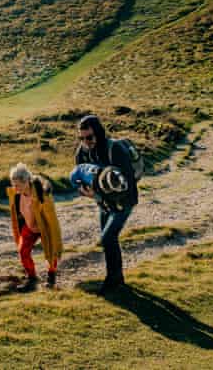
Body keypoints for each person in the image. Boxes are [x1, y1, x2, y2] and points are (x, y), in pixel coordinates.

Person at [74, 115, 138, 294]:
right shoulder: (82, 152)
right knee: (108, 239)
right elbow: (80, 176)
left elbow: (128, 184)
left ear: (99, 134)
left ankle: (112, 281)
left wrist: (99, 194)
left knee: (107, 238)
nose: (85, 142)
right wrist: (86, 192)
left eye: (89, 137)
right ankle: (117, 278)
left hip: (123, 201)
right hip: (103, 202)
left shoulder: (115, 149)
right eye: (82, 138)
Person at [6, 162, 64, 290]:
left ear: (26, 181)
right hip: (30, 226)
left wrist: (46, 190)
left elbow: (50, 213)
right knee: (23, 251)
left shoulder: (41, 193)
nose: (15, 188)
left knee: (51, 249)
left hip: (44, 226)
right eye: (13, 184)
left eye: (17, 185)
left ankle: (51, 276)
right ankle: (31, 278)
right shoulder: (16, 195)